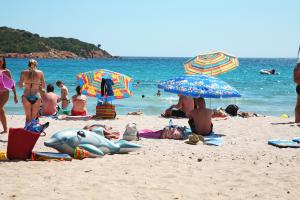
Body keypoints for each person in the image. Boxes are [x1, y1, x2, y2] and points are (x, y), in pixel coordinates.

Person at [19, 59, 46, 123]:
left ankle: (27, 131)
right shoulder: (40, 73)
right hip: (36, 96)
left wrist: (25, 84)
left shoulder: (23, 72)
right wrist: (37, 85)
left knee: (28, 117)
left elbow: (20, 86)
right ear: (36, 65)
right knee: (34, 117)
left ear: (28, 64)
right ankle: (32, 131)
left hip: (26, 96)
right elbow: (44, 86)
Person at [0, 57, 18, 133]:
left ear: (3, 62)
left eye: (0, 61)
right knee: (1, 110)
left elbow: (12, 84)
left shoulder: (6, 71)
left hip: (5, 92)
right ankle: (5, 129)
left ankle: (5, 129)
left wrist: (15, 95)